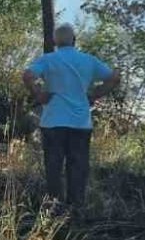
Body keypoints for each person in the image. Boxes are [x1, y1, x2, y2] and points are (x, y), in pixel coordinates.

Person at [22, 23, 121, 208]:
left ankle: (53, 207)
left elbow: (27, 75)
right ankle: (76, 208)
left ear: (55, 41)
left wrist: (39, 94)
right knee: (78, 167)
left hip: (53, 121)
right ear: (74, 40)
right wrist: (96, 94)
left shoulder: (48, 59)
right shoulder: (88, 60)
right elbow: (114, 78)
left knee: (53, 167)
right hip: (80, 122)